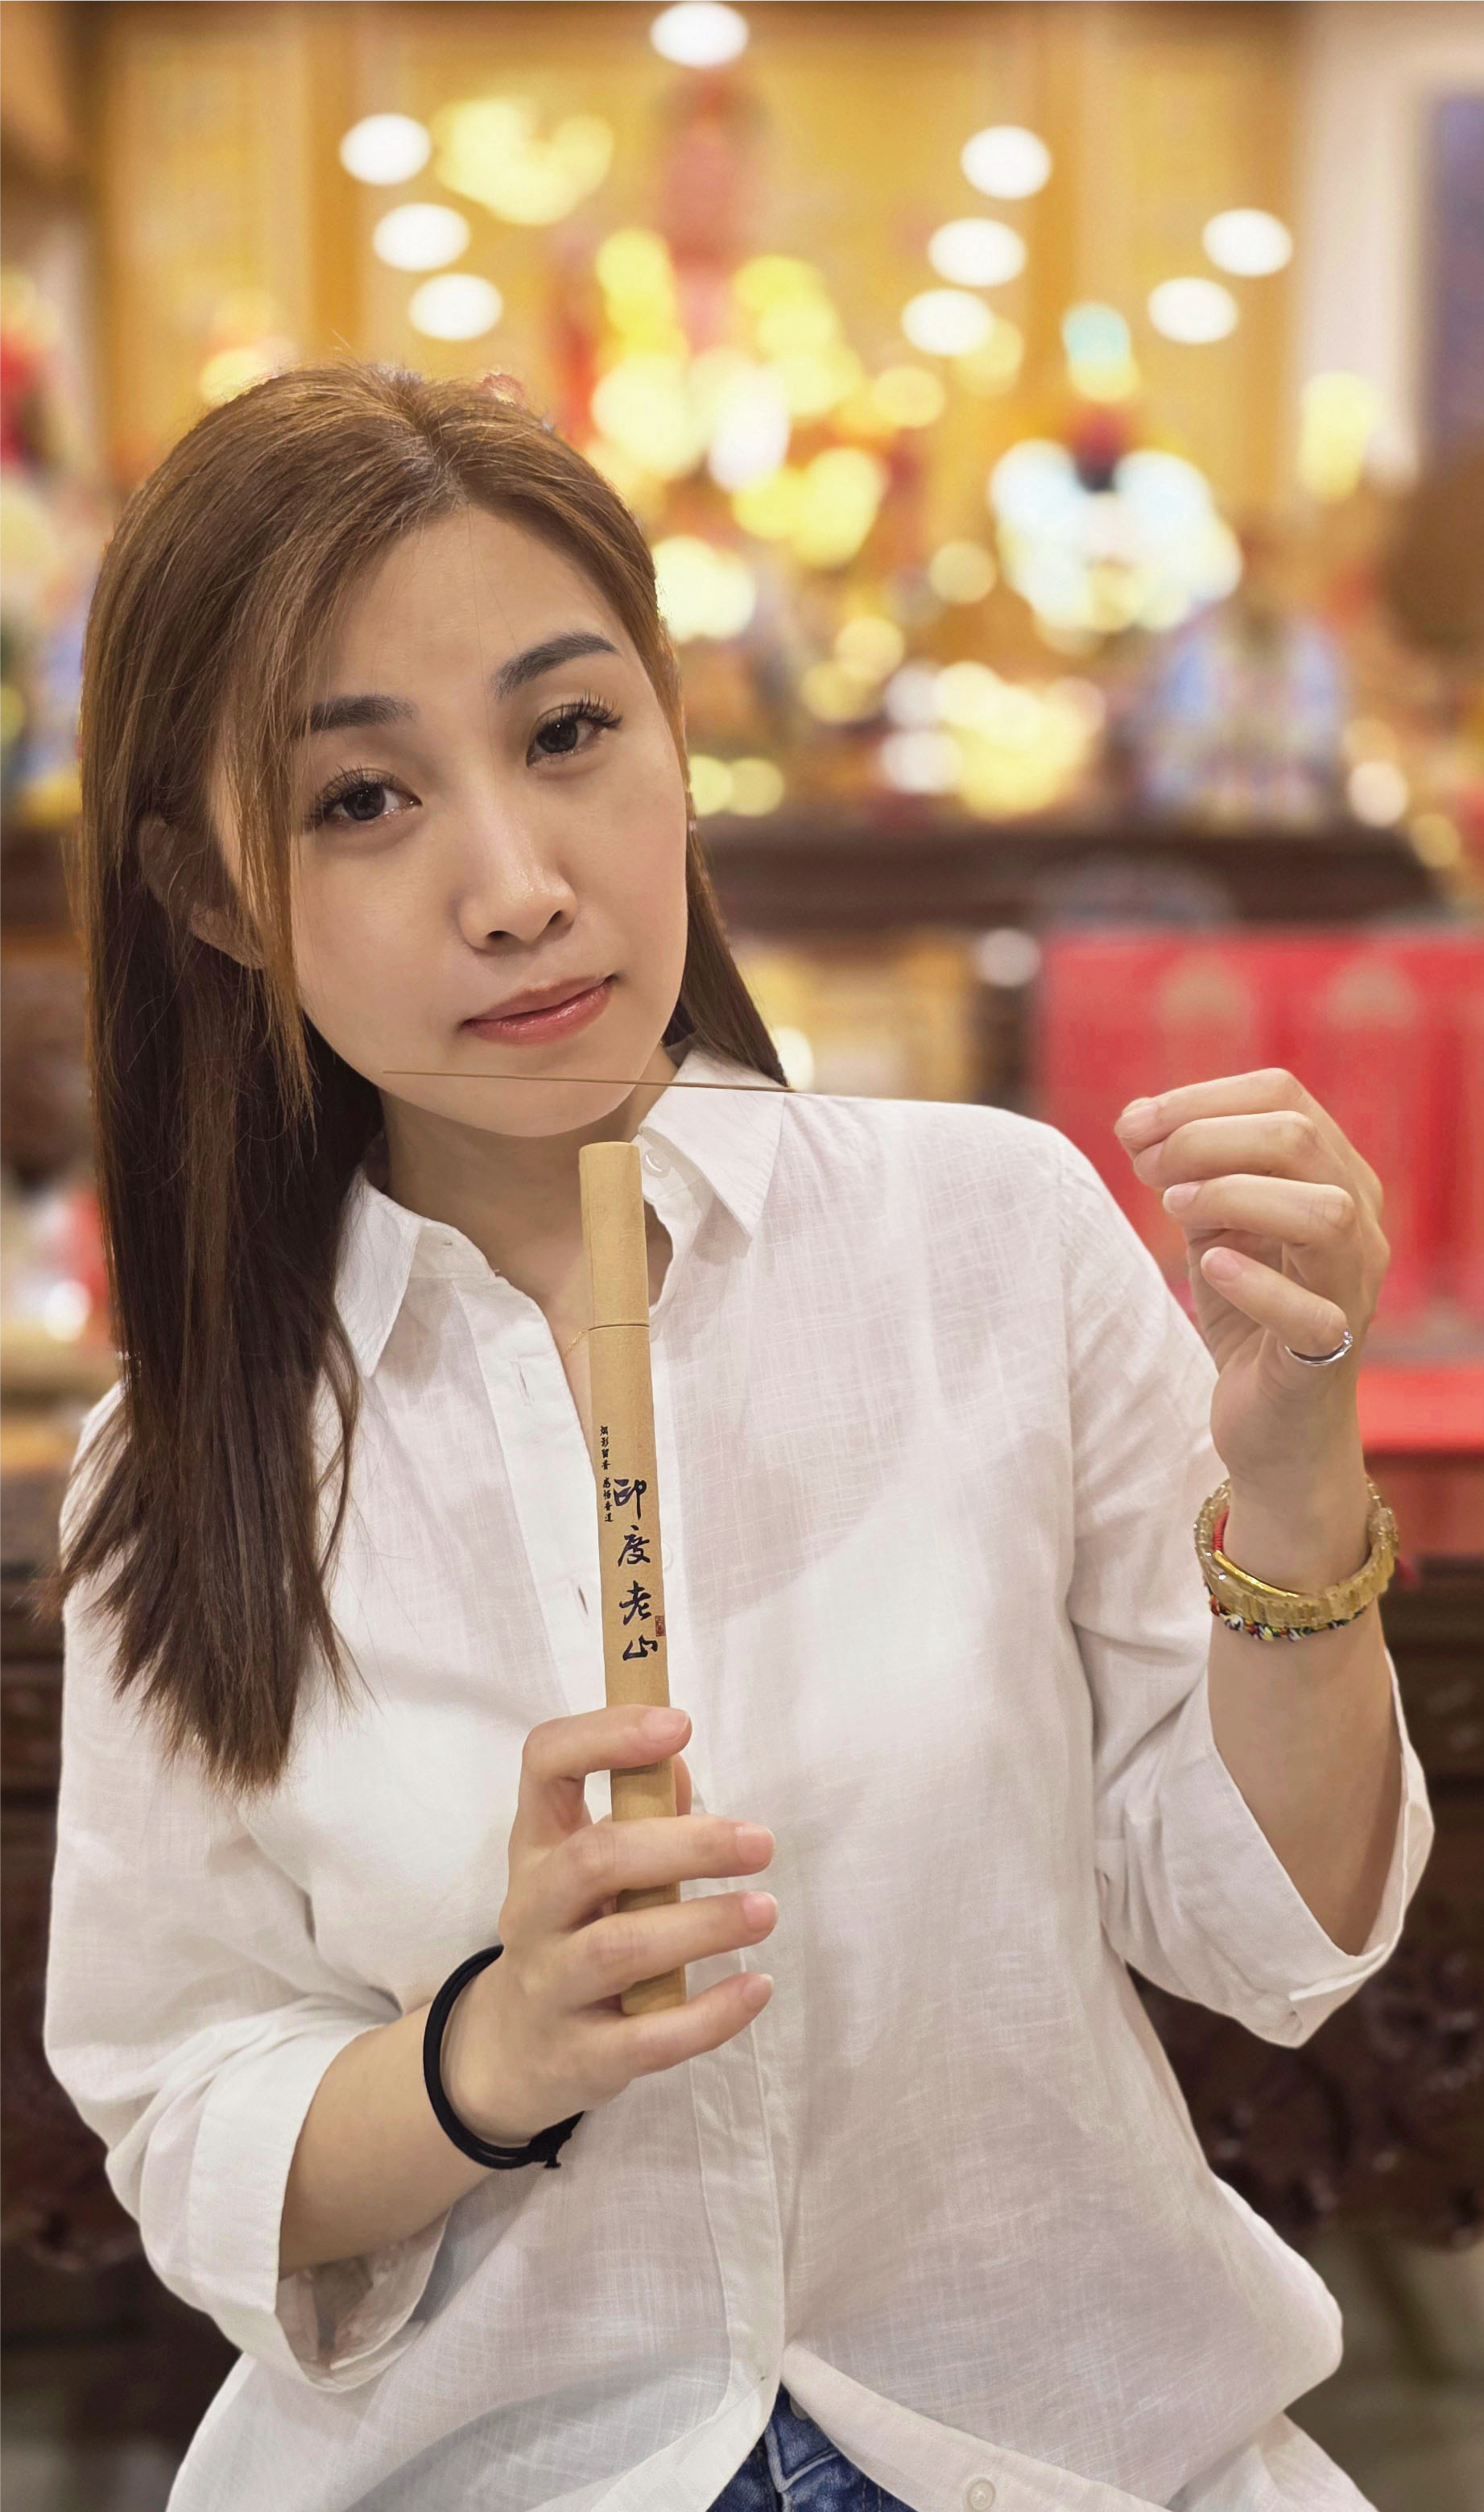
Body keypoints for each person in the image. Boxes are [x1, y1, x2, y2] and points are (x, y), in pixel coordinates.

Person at [42, 362, 1428, 2512]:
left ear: (677, 739)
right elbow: (186, 2104)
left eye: (567, 732)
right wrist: (486, 2054)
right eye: (361, 799)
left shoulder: (991, 1235)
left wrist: (1299, 1477)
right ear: (212, 892)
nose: (518, 885)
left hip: (1056, 2448)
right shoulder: (197, 1457)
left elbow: (1273, 1931)